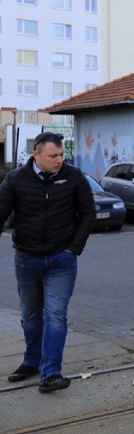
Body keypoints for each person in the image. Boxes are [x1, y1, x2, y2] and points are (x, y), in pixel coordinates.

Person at [0, 132, 95, 392]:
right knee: (30, 316)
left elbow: (88, 212)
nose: (59, 160)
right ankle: (31, 362)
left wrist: (73, 249)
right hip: (26, 258)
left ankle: (51, 373)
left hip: (61, 259)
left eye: (62, 155)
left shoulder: (73, 176)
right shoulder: (15, 179)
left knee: (55, 315)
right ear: (36, 155)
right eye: (53, 156)